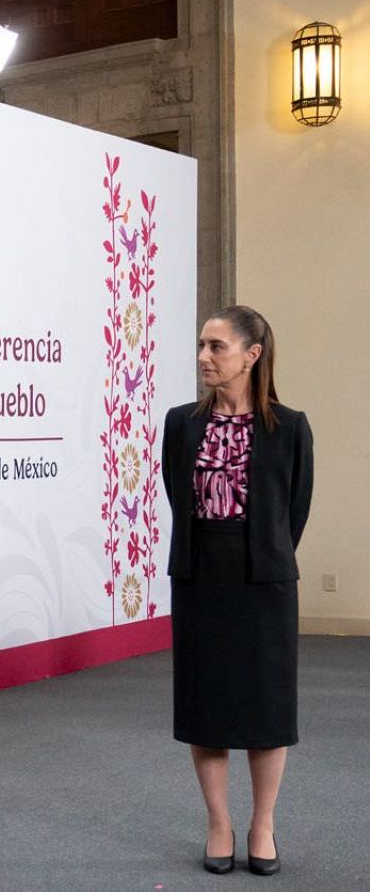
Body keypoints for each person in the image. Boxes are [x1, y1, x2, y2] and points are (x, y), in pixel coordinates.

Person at [161, 305, 313, 877]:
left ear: (252, 355)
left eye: (217, 347)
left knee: (267, 709)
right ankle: (219, 823)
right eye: (202, 345)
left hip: (264, 583)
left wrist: (265, 554)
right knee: (207, 705)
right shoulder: (181, 423)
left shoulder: (290, 427)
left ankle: (263, 824)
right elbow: (181, 497)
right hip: (202, 578)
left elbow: (292, 511)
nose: (204, 357)